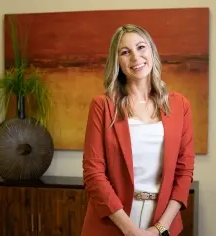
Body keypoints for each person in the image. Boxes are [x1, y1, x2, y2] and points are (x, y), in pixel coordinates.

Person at [81, 24, 195, 236]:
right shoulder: (103, 106)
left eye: (141, 47)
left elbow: (184, 172)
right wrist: (131, 230)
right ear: (117, 62)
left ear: (152, 51)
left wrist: (159, 229)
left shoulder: (180, 106)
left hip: (162, 224)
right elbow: (93, 174)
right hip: (112, 225)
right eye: (125, 52)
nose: (135, 57)